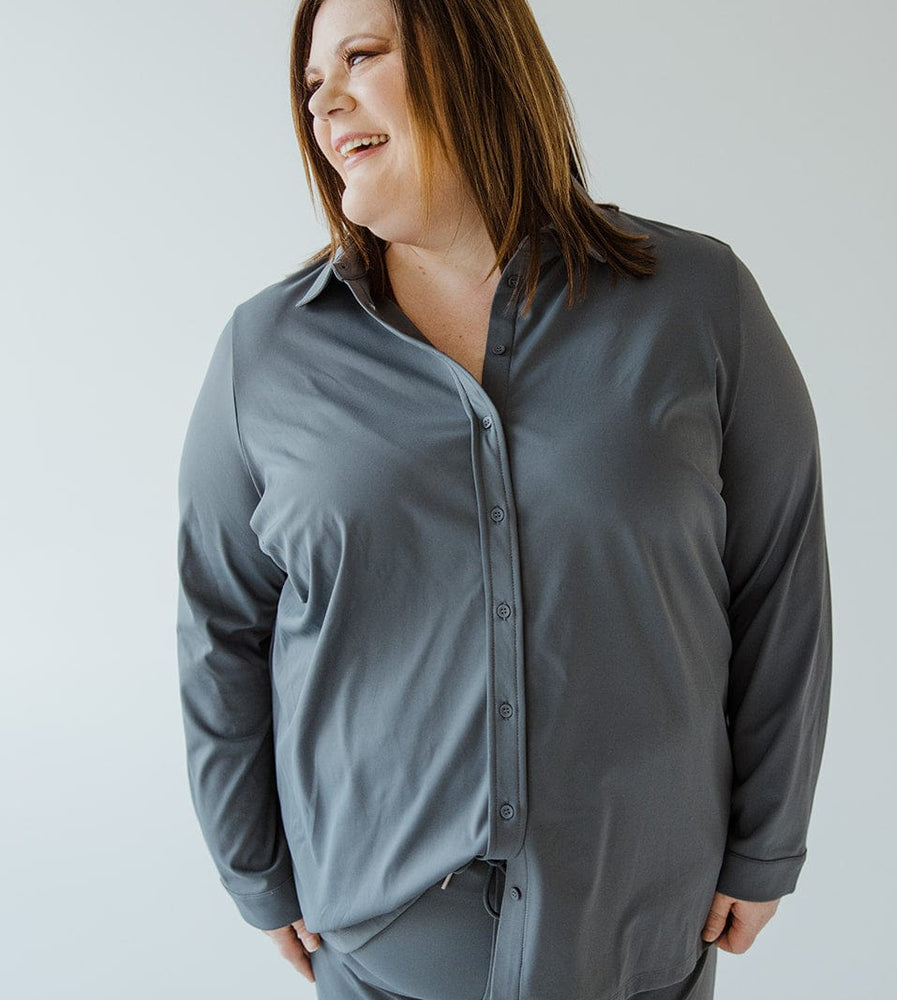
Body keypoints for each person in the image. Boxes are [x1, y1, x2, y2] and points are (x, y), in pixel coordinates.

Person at [175, 0, 832, 997]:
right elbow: (220, 624)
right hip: (383, 947)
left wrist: (766, 837)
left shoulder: (700, 303)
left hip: (639, 939)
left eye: (360, 55)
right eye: (311, 84)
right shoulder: (265, 357)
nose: (324, 101)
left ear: (471, 51)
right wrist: (254, 867)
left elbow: (778, 580)